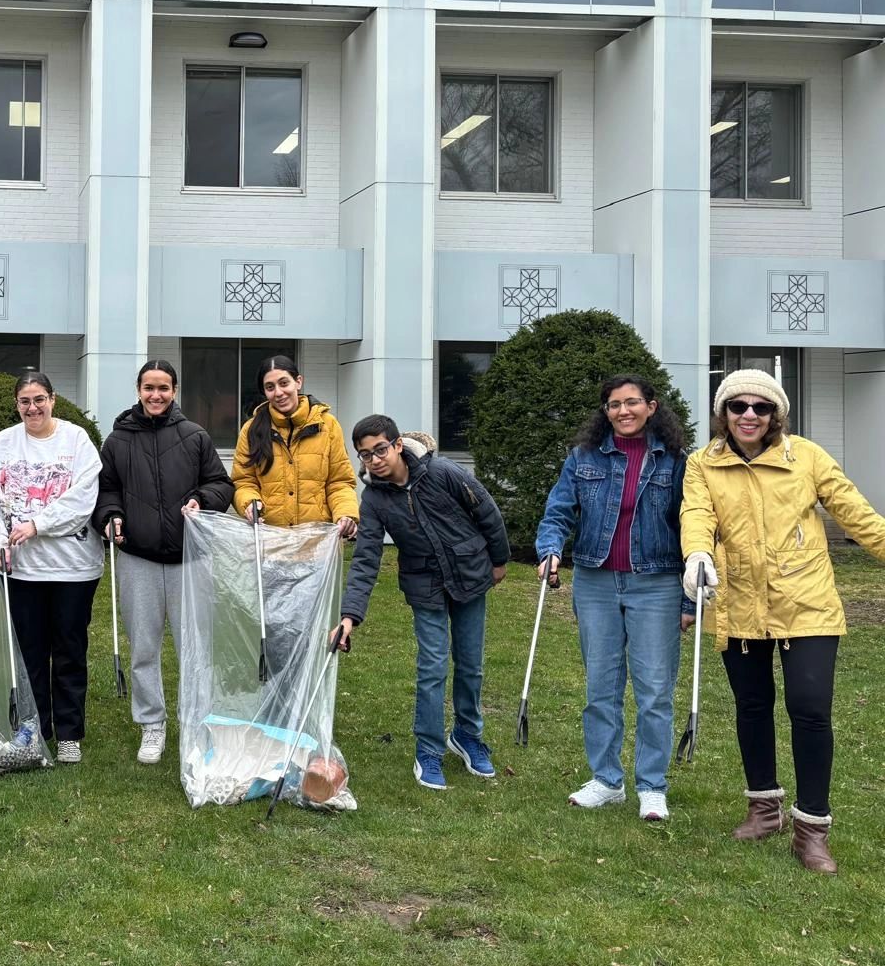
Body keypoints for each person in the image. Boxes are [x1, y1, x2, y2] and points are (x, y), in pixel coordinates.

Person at [681, 369, 885, 874]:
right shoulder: (702, 463)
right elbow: (697, 515)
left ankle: (812, 828)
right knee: (752, 705)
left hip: (806, 601)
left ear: (777, 416)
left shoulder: (808, 457)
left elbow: (856, 514)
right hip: (738, 602)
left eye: (761, 407)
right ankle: (763, 808)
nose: (749, 415)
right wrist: (696, 555)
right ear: (722, 413)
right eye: (737, 406)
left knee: (810, 707)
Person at [535, 375, 693, 820]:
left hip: (657, 583)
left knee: (654, 691)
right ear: (604, 411)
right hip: (596, 581)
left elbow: (693, 526)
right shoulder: (583, 456)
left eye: (632, 403)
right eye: (613, 405)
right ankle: (606, 780)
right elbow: (558, 511)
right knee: (600, 688)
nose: (623, 411)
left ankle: (652, 786)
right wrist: (550, 548)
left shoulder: (678, 461)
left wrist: (688, 600)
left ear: (651, 406)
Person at [331, 419, 509, 791]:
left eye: (380, 449)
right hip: (423, 585)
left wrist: (498, 560)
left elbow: (487, 512)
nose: (374, 460)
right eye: (365, 454)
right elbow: (365, 560)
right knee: (432, 667)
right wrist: (350, 617)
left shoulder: (443, 472)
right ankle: (429, 750)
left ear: (397, 445)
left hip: (469, 574)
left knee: (471, 665)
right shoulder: (375, 499)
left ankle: (467, 735)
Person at [93, 359, 234, 764]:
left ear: (175, 391)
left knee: (195, 647)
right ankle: (152, 724)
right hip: (138, 558)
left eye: (164, 388)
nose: (156, 395)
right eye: (149, 387)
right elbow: (106, 490)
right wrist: (110, 516)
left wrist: (202, 500)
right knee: (144, 649)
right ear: (138, 390)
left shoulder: (195, 436)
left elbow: (221, 483)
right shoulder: (118, 440)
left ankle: (196, 722)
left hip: (190, 558)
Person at [0, 372, 102, 763]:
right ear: (17, 404)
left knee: (68, 649)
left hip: (72, 569)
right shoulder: (3, 443)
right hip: (22, 571)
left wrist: (37, 524)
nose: (32, 408)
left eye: (39, 399)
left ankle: (69, 733)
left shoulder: (76, 440)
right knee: (30, 652)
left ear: (53, 399)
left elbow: (82, 501)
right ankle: (34, 727)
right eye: (24, 401)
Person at [230, 354, 358, 538]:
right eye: (270, 387)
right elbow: (243, 481)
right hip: (271, 543)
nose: (279, 393)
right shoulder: (251, 430)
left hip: (316, 544)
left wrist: (345, 513)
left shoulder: (327, 425)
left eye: (284, 383)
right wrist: (250, 503)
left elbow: (340, 482)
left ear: (298, 382)